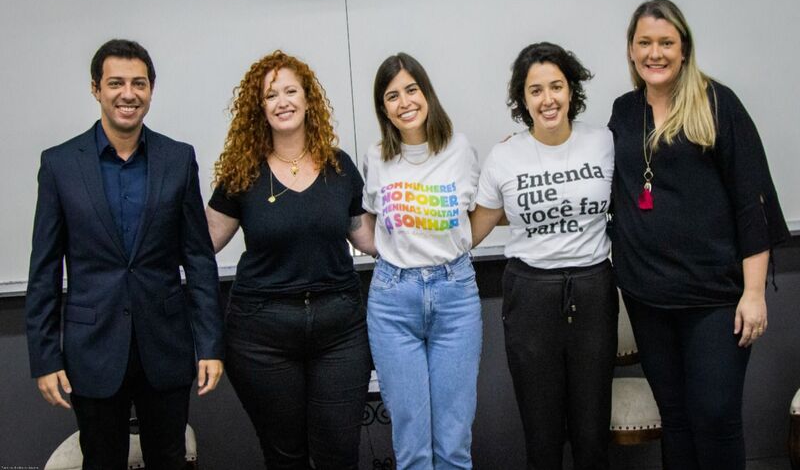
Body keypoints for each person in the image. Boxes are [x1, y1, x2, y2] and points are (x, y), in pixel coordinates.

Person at [608, 0, 790, 470]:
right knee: (677, 418)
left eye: (666, 42)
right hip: (648, 297)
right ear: (630, 50)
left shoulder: (717, 103)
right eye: (645, 42)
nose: (656, 53)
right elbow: (594, 177)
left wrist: (754, 293)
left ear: (684, 49)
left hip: (715, 299)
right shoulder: (624, 114)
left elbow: (754, 203)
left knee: (715, 416)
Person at [25, 39, 224, 469]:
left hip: (167, 346)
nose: (128, 94)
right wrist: (44, 356)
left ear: (151, 89)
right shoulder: (60, 164)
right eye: (115, 83)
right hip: (92, 350)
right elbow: (43, 268)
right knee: (100, 461)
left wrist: (209, 343)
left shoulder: (177, 158)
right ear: (96, 88)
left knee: (169, 459)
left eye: (138, 83)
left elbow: (199, 258)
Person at [206, 50, 375, 469]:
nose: (282, 101)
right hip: (261, 336)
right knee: (286, 458)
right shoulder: (241, 171)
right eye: (270, 95)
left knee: (339, 455)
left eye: (290, 91)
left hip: (340, 331)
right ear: (258, 108)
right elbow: (203, 241)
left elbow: (368, 237)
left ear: (307, 99)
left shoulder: (340, 167)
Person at [471, 42, 617, 470]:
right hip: (530, 297)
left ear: (571, 91)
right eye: (536, 90)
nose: (548, 99)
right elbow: (474, 230)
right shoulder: (505, 155)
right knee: (542, 438)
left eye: (556, 86)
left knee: (592, 436)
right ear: (523, 98)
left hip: (593, 292)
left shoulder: (604, 141)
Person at [363, 52, 482, 470]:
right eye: (392, 96)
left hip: (455, 296)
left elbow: (475, 217)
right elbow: (371, 226)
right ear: (384, 108)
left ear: (426, 93)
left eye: (411, 89)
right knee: (412, 448)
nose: (404, 101)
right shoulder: (377, 157)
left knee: (453, 445)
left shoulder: (459, 148)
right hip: (394, 301)